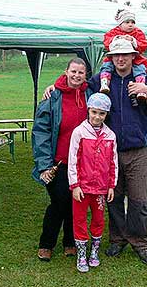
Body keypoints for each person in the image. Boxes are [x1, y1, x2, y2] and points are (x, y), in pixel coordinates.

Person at [88, 38, 147, 265]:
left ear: (133, 56)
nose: (120, 59)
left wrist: (146, 92)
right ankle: (118, 239)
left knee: (139, 199)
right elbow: (78, 85)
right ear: (110, 58)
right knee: (113, 196)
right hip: (108, 150)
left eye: (125, 55)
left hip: (137, 150)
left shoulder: (144, 79)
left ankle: (140, 242)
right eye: (116, 55)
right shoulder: (102, 80)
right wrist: (55, 86)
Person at [32, 57, 93, 262]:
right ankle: (46, 243)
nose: (76, 76)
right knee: (59, 201)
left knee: (76, 202)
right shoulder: (52, 97)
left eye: (81, 72)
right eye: (73, 71)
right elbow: (40, 132)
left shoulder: (90, 95)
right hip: (57, 163)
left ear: (86, 75)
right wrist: (44, 164)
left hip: (83, 163)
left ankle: (70, 242)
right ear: (66, 72)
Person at [68, 93, 117, 273]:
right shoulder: (79, 132)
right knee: (79, 220)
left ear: (106, 115)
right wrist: (75, 185)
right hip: (81, 188)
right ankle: (81, 254)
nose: (97, 117)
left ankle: (94, 251)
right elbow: (73, 160)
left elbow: (114, 161)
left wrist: (111, 185)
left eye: (102, 113)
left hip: (101, 189)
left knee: (98, 220)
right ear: (88, 110)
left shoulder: (110, 135)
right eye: (94, 112)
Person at [99, 9, 147, 97]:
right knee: (106, 66)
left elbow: (143, 45)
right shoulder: (113, 32)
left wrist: (133, 41)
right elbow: (107, 42)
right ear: (120, 23)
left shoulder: (138, 33)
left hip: (136, 59)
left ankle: (141, 89)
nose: (130, 24)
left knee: (140, 70)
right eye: (127, 22)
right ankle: (104, 82)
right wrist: (117, 38)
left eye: (132, 22)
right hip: (112, 59)